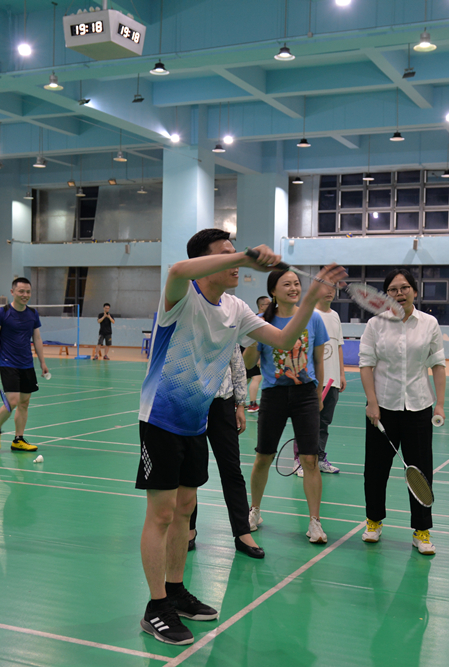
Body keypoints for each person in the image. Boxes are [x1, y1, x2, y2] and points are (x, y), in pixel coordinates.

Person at [135, 228, 342, 646]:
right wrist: (245, 257)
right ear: (207, 262)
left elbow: (282, 339)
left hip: (196, 420)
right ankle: (155, 607)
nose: (235, 264)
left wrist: (310, 300)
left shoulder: (235, 307)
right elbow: (177, 269)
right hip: (160, 418)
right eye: (225, 255)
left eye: (236, 254)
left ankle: (175, 590)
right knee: (161, 513)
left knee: (185, 509)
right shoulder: (181, 295)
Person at [359, 268, 446, 555]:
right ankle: (373, 521)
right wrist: (372, 402)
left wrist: (440, 403)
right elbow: (366, 364)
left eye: (404, 287)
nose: (399, 293)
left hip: (419, 406)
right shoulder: (375, 324)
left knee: (420, 472)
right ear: (386, 295)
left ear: (415, 291)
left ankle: (422, 530)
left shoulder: (429, 323)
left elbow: (438, 365)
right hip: (382, 407)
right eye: (393, 289)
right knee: (375, 470)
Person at [244, 269, 330, 545]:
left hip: (305, 395)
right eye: (287, 284)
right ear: (273, 291)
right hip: (274, 395)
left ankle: (315, 521)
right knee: (263, 457)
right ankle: (254, 510)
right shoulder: (261, 322)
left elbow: (318, 360)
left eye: (296, 284)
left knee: (310, 459)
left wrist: (318, 393)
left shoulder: (312, 318)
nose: (294, 288)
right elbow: (248, 364)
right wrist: (253, 340)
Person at [187, 344, 265, 560]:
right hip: (193, 403)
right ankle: (189, 529)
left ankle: (242, 533)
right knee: (191, 471)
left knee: (232, 470)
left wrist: (240, 404)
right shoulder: (188, 326)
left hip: (223, 404)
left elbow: (237, 365)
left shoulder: (227, 326)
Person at [0, 277, 49, 452]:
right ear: (12, 292)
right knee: (12, 401)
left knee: (24, 403)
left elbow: (37, 338)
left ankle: (18, 439)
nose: (25, 295)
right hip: (8, 363)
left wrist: (42, 362)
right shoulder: (2, 313)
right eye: (21, 291)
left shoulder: (33, 314)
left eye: (28, 292)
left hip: (27, 364)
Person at [298, 283, 344, 475]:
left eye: (333, 287)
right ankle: (300, 461)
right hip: (313, 380)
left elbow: (338, 346)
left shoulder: (335, 316)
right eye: (325, 287)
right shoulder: (308, 315)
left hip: (332, 380)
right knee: (306, 423)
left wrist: (341, 374)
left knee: (324, 423)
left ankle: (319, 458)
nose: (330, 291)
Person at [245, 296, 271, 413]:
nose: (271, 306)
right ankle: (252, 404)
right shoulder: (258, 320)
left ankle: (236, 401)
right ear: (261, 306)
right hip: (248, 353)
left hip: (246, 352)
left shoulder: (261, 318)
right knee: (257, 377)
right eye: (268, 304)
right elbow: (255, 341)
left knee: (246, 379)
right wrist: (258, 358)